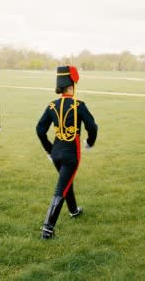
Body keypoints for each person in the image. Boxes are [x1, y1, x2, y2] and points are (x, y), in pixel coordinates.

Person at [36, 66, 98, 239]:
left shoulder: (51, 105)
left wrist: (49, 149)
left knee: (65, 181)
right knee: (61, 189)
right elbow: (93, 126)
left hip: (56, 153)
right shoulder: (79, 105)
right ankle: (47, 229)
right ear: (71, 86)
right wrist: (90, 142)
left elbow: (40, 130)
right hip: (71, 154)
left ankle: (73, 210)